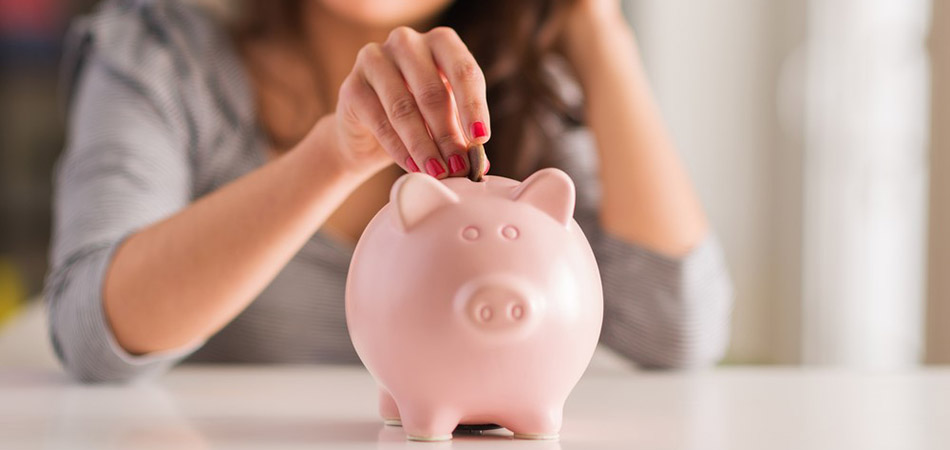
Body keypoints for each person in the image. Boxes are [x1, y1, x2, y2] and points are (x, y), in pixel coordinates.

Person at [46, 0, 733, 383]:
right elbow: (90, 332)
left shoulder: (527, 74)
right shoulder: (162, 51)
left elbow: (675, 329)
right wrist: (333, 156)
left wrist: (594, 21)